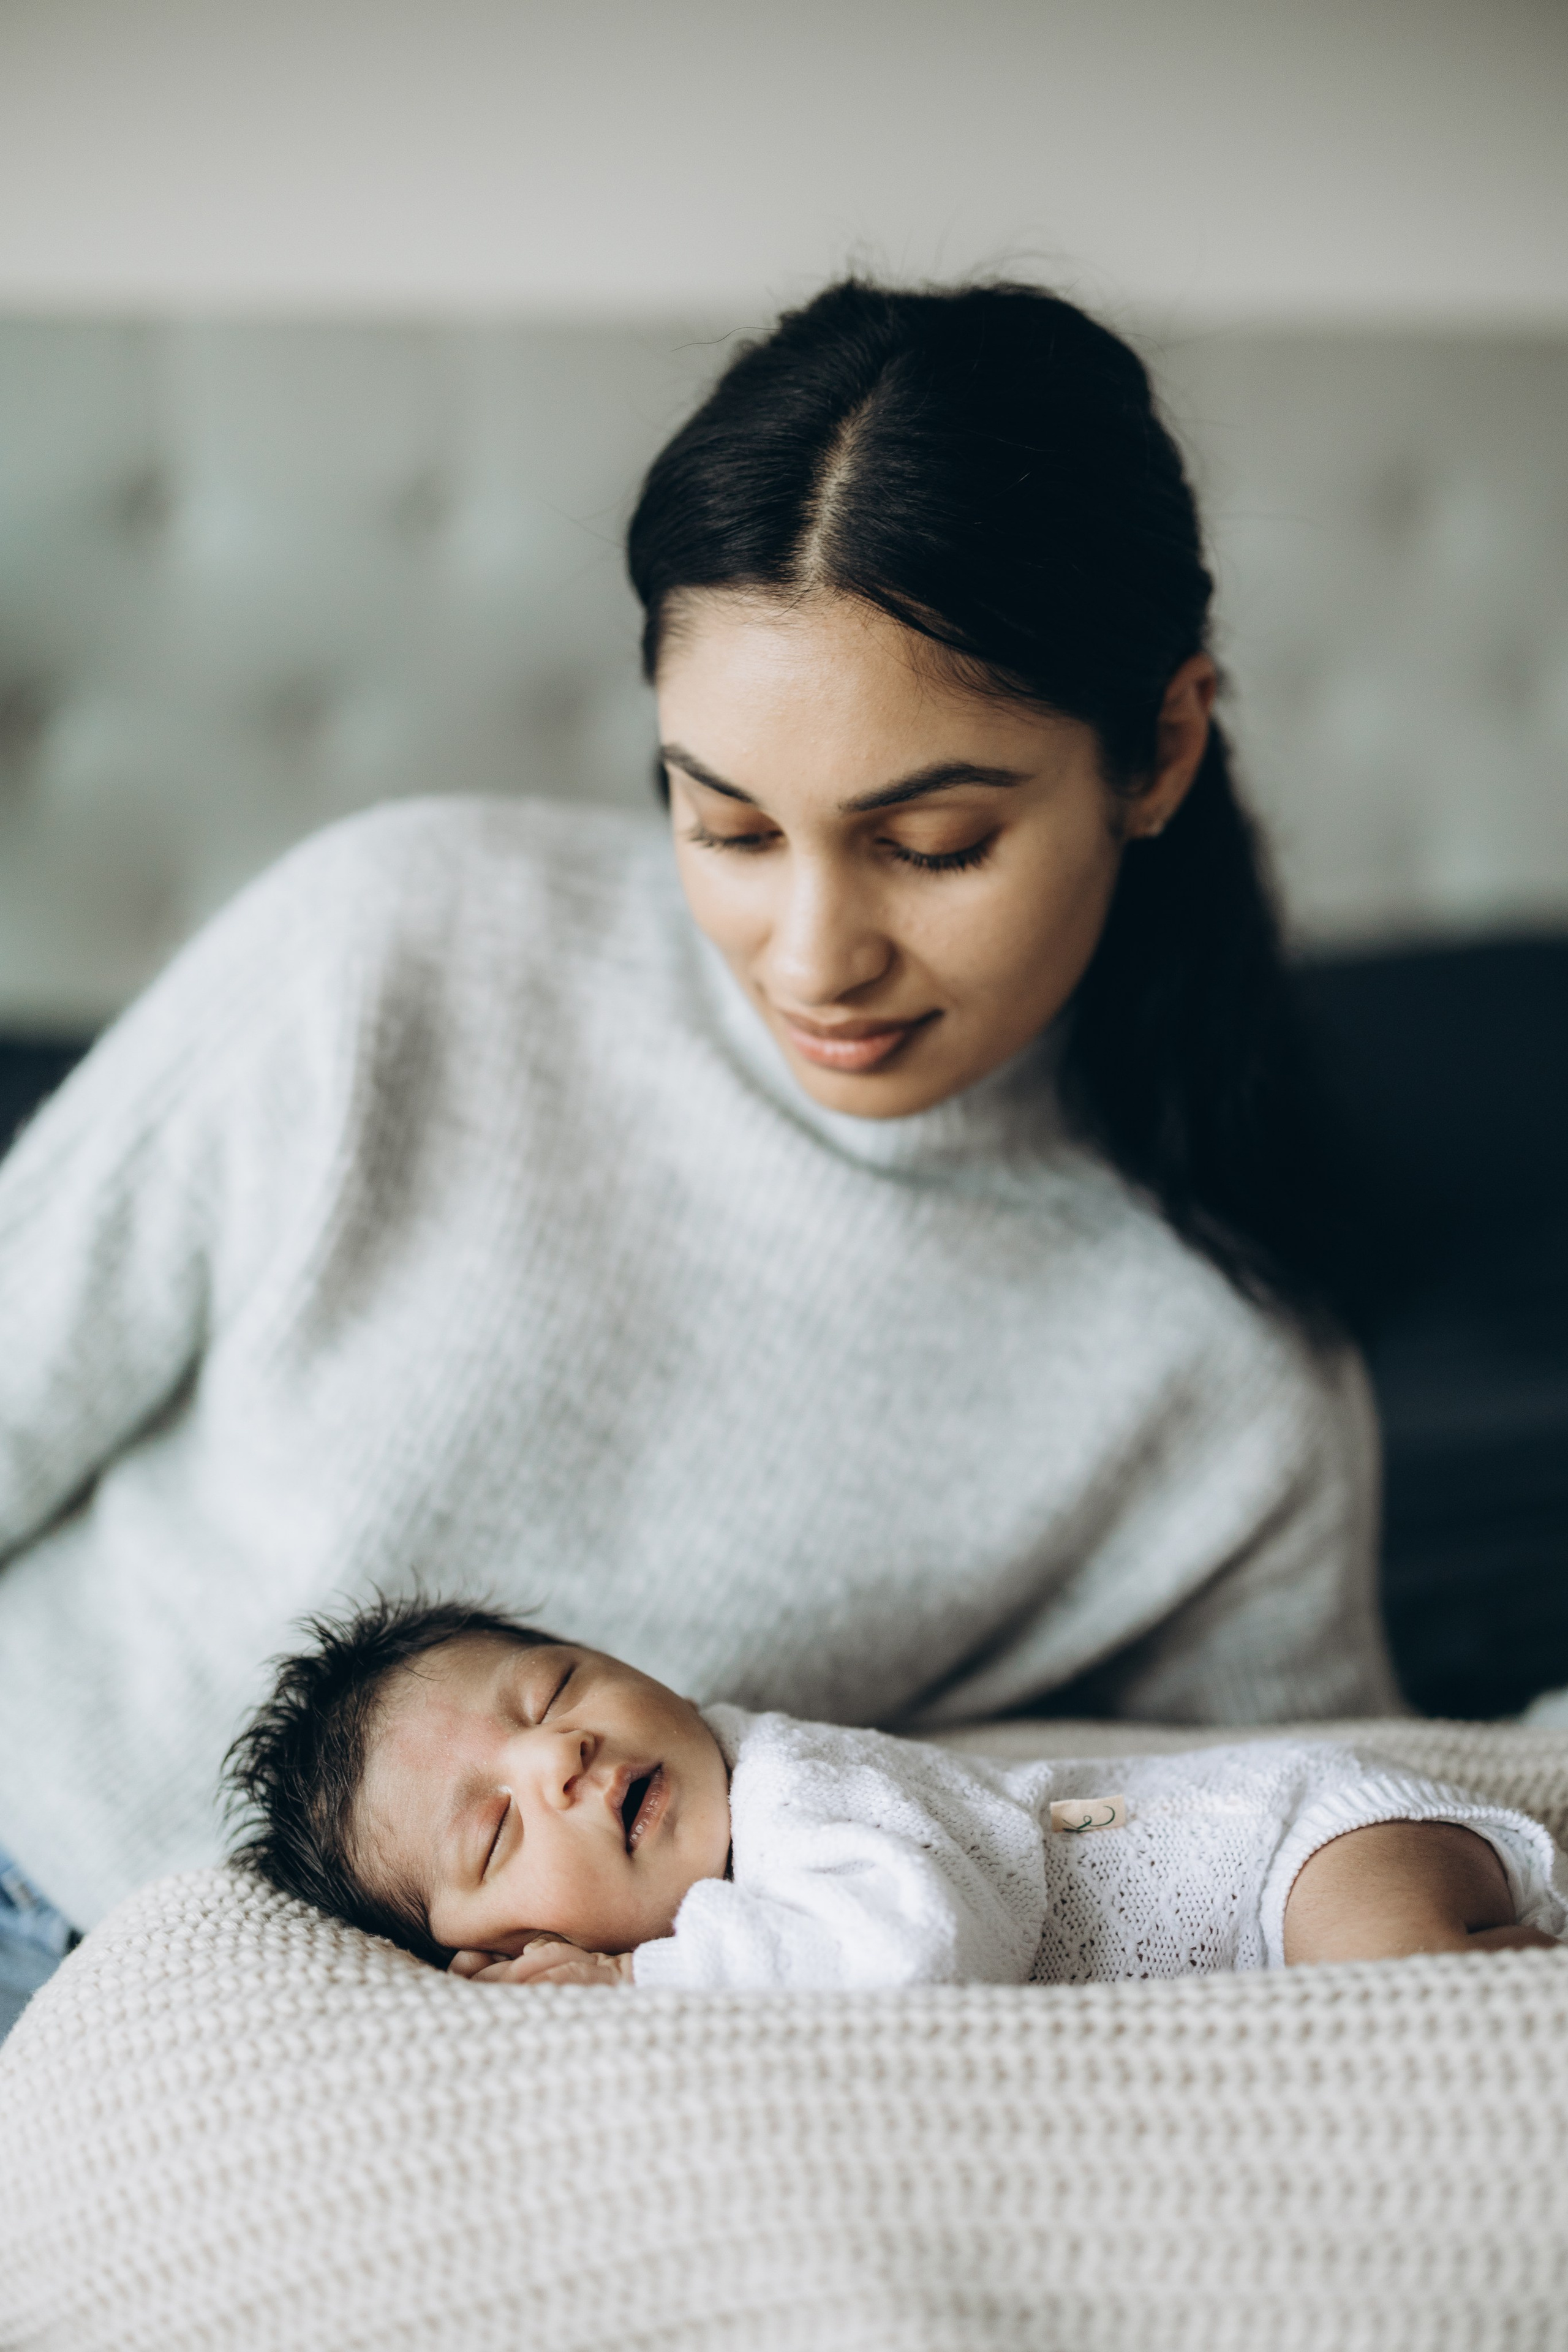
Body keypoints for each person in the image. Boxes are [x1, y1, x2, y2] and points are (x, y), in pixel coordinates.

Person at [0, 277, 1398, 2041]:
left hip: (334, 2093)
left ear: (1162, 747)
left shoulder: (1222, 1389)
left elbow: (1289, 1862)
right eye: (726, 823)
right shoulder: (403, 941)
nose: (814, 956)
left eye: (936, 842)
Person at [224, 1598, 1563, 1990]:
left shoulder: (805, 1790)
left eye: (556, 1688)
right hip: (1266, 1897)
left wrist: (637, 1986)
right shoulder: (734, 1911)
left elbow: (919, 1949)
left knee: (1395, 1992)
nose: (559, 1756)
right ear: (503, 1948)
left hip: (1289, 1850)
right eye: (500, 1826)